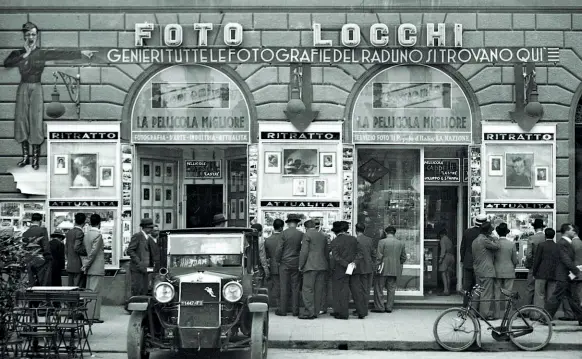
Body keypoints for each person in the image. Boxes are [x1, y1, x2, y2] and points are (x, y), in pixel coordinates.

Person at [3, 22, 93, 170]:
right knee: (21, 120)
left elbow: (60, 54)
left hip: (36, 87)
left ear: (36, 36)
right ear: (24, 36)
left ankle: (36, 159)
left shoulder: (41, 53)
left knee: (35, 120)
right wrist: (25, 54)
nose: (31, 37)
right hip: (23, 87)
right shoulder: (18, 53)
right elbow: (7, 64)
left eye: (33, 34)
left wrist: (81, 53)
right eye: (28, 35)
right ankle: (26, 157)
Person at [544, 223, 582, 326]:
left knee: (572, 298)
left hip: (567, 275)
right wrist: (576, 271)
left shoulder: (567, 243)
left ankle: (581, 317)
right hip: (563, 275)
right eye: (571, 229)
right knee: (557, 297)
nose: (574, 231)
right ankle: (545, 318)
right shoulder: (562, 243)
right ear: (566, 231)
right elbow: (566, 259)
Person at [298, 219, 329, 319]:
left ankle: (309, 312)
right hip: (322, 266)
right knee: (318, 289)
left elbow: (304, 252)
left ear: (306, 227)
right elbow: (326, 252)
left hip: (310, 266)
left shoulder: (307, 235)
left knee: (307, 289)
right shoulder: (323, 235)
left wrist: (301, 265)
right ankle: (316, 311)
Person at [373, 226, 407, 313]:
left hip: (383, 268)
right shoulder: (400, 243)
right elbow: (403, 257)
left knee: (379, 288)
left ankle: (380, 307)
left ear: (386, 232)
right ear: (394, 233)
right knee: (391, 289)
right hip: (394, 269)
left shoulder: (382, 242)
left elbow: (379, 257)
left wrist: (376, 267)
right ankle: (389, 307)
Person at [275, 214, 303, 316]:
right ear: (296, 223)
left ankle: (283, 310)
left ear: (288, 223)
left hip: (284, 263)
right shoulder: (301, 234)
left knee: (284, 287)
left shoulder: (283, 234)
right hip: (296, 263)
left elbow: (279, 249)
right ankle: (295, 310)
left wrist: (278, 260)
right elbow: (302, 249)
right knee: (295, 287)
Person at [330, 221, 359, 320]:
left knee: (340, 291)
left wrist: (346, 265)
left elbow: (336, 257)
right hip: (353, 268)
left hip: (340, 269)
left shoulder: (335, 241)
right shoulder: (354, 239)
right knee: (355, 290)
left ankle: (341, 312)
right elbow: (359, 253)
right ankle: (361, 311)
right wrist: (353, 263)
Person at [472, 222, 500, 320]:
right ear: (488, 231)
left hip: (478, 269)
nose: (492, 232)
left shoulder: (475, 240)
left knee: (477, 291)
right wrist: (495, 237)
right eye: (491, 231)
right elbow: (497, 246)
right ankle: (485, 314)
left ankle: (473, 312)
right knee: (486, 293)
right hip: (486, 270)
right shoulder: (484, 240)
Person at [81, 214, 105, 323]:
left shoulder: (86, 235)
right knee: (95, 293)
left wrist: (85, 264)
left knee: (89, 292)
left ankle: (88, 315)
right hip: (96, 267)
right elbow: (94, 253)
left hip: (90, 268)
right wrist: (86, 264)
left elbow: (87, 252)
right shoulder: (98, 235)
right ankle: (93, 316)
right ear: (99, 223)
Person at [460, 214, 488, 307]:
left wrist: (462, 260)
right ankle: (475, 308)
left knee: (466, 285)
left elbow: (462, 247)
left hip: (468, 262)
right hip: (480, 263)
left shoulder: (467, 232)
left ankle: (465, 306)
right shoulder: (484, 234)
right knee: (478, 285)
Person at [532, 228, 559, 319]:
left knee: (539, 295)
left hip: (541, 273)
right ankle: (548, 316)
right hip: (553, 274)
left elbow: (537, 260)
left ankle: (538, 315)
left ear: (545, 236)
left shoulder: (541, 245)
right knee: (551, 296)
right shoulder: (557, 246)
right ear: (554, 235)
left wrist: (534, 273)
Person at [493, 223, 518, 318]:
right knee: (508, 294)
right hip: (509, 270)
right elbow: (515, 260)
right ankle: (508, 315)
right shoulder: (511, 244)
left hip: (497, 270)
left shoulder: (495, 244)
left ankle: (496, 314)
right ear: (506, 233)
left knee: (497, 294)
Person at [350, 222, 375, 318]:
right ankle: (364, 309)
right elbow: (373, 253)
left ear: (356, 230)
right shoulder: (369, 240)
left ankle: (360, 309)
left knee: (358, 290)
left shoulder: (355, 240)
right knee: (366, 290)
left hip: (358, 268)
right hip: (368, 267)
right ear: (364, 230)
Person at [127, 218, 155, 297]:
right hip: (137, 269)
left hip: (145, 269)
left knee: (144, 290)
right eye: (150, 227)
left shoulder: (149, 238)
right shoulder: (137, 236)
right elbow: (130, 250)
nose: (152, 229)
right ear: (145, 227)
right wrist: (138, 262)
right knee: (137, 289)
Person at [22, 213, 52, 286]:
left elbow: (24, 247)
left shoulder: (25, 233)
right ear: (40, 221)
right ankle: (41, 295)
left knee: (31, 279)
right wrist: (48, 256)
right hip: (40, 258)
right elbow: (45, 245)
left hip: (29, 258)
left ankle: (31, 295)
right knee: (42, 280)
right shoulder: (43, 230)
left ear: (31, 221)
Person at [525, 219, 547, 306]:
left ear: (534, 228)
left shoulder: (531, 238)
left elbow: (529, 255)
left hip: (534, 266)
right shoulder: (546, 237)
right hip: (545, 267)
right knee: (542, 290)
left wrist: (528, 265)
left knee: (530, 288)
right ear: (542, 228)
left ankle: (526, 310)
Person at [264, 219, 284, 308]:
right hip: (285, 264)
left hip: (273, 265)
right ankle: (285, 304)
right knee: (286, 285)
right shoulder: (285, 238)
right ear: (281, 227)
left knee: (276, 285)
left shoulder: (268, 240)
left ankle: (278, 304)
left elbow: (267, 255)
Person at [66, 213, 88, 288]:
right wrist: (86, 251)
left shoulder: (69, 232)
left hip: (70, 264)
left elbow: (66, 248)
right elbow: (77, 247)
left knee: (70, 287)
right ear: (84, 223)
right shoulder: (80, 233)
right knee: (78, 288)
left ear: (75, 221)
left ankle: (69, 300)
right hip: (78, 264)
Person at [438, 228, 455, 296]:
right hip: (452, 257)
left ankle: (445, 290)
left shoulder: (443, 239)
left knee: (443, 273)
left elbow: (443, 250)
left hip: (446, 257)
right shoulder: (449, 240)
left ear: (441, 234)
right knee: (448, 274)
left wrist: (441, 258)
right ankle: (448, 290)